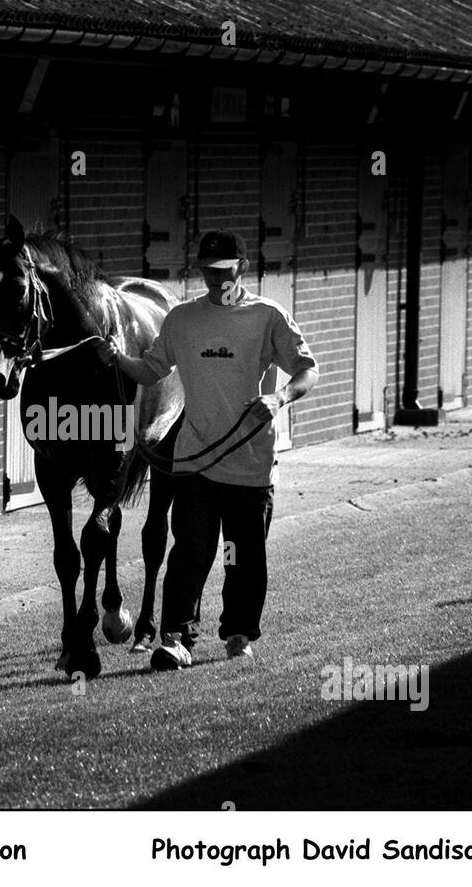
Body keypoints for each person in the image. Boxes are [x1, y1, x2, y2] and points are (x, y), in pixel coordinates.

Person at [97, 229, 319, 670]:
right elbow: (152, 369)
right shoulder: (182, 319)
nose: (216, 281)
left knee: (242, 556)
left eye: (224, 272)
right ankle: (177, 639)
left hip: (250, 464)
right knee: (190, 553)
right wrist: (117, 358)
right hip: (195, 461)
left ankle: (239, 634)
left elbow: (307, 370)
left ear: (243, 268)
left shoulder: (268, 317)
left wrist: (279, 399)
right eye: (207, 273)